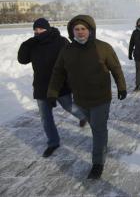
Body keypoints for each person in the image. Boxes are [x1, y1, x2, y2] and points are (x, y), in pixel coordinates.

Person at [47, 15, 127, 179]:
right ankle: (102, 145)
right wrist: (52, 93)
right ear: (72, 32)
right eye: (77, 29)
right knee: (96, 128)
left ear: (90, 30)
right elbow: (57, 73)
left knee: (98, 130)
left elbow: (116, 69)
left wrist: (122, 87)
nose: (80, 32)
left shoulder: (103, 47)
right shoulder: (66, 50)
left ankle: (98, 163)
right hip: (81, 100)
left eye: (83, 29)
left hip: (100, 98)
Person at [17, 18, 86, 158]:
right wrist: (26, 44)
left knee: (69, 106)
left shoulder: (60, 41)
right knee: (45, 117)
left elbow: (72, 60)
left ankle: (83, 116)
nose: (37, 32)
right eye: (35, 30)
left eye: (40, 29)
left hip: (59, 84)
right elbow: (22, 60)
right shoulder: (33, 44)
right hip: (41, 87)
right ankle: (53, 142)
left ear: (47, 29)